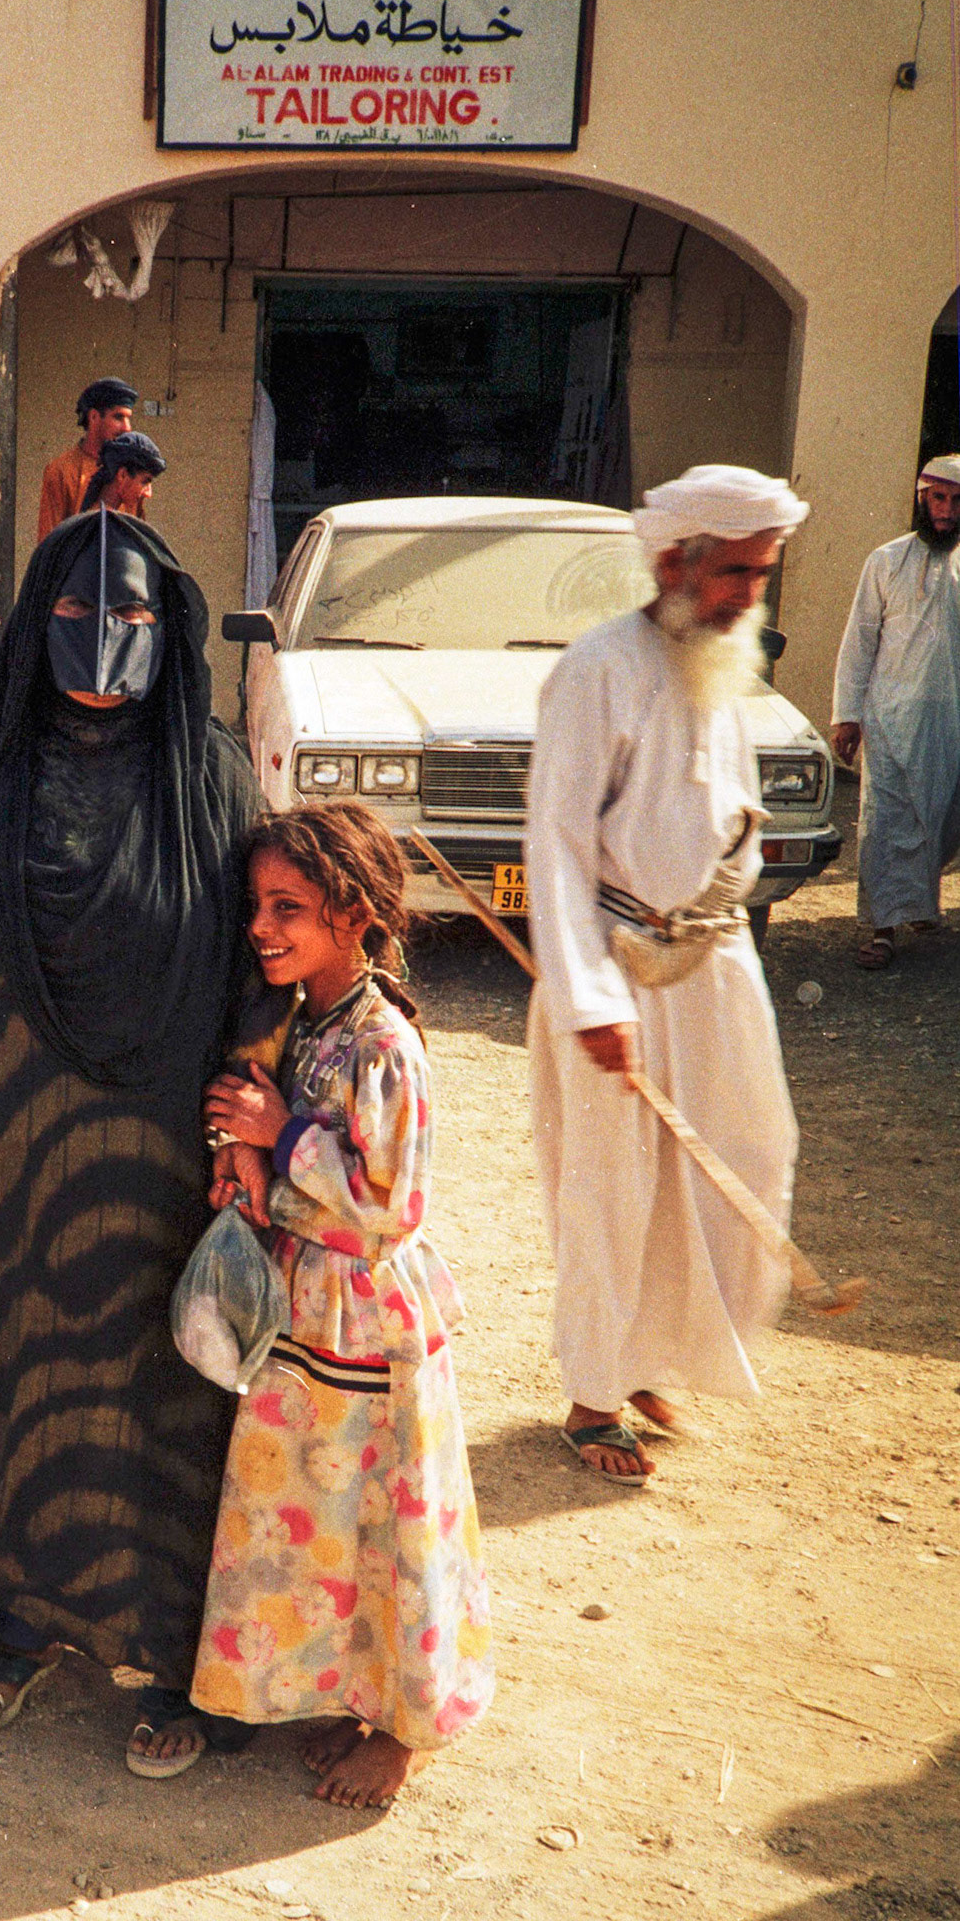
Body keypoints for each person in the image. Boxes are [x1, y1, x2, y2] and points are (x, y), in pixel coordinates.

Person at [0, 466, 273, 1774]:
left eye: (133, 615)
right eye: (73, 611)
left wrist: (249, 1132)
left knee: (167, 1407)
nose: (104, 642)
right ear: (31, 623)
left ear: (172, 626)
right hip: (7, 1179)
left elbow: (262, 970)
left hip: (166, 1183)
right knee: (4, 1392)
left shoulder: (212, 784)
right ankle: (1, 1636)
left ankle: (173, 1666)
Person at [195, 804, 493, 1810]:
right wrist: (242, 1159)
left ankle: (403, 1732)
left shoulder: (383, 1043)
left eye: (291, 908)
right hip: (305, 1320)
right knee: (319, 1526)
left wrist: (276, 1138)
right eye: (257, 906)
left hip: (368, 1323)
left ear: (355, 915)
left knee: (391, 1533)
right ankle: (337, 1686)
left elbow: (386, 1210)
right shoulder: (301, 1022)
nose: (263, 928)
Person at [525, 464, 809, 1485]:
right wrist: (588, 997)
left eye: (758, 573)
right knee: (611, 1184)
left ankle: (660, 1359)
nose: (746, 593)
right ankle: (596, 1391)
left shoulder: (717, 660)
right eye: (733, 570)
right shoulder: (597, 667)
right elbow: (554, 844)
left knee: (750, 1149)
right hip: (614, 963)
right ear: (672, 560)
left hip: (715, 957)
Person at [830, 454, 960, 970]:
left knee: (941, 816)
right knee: (885, 821)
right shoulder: (885, 560)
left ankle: (919, 903)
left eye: (956, 501)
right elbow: (859, 641)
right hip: (891, 715)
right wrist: (848, 714)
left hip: (951, 719)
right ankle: (881, 928)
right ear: (921, 499)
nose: (947, 511)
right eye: (938, 499)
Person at [36, 376, 137, 542]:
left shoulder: (131, 471)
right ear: (94, 417)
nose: (127, 428)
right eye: (118, 417)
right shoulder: (61, 470)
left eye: (128, 418)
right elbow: (48, 544)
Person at [79, 430, 166, 521]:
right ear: (122, 475)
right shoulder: (103, 525)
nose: (148, 494)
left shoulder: (103, 519)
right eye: (144, 482)